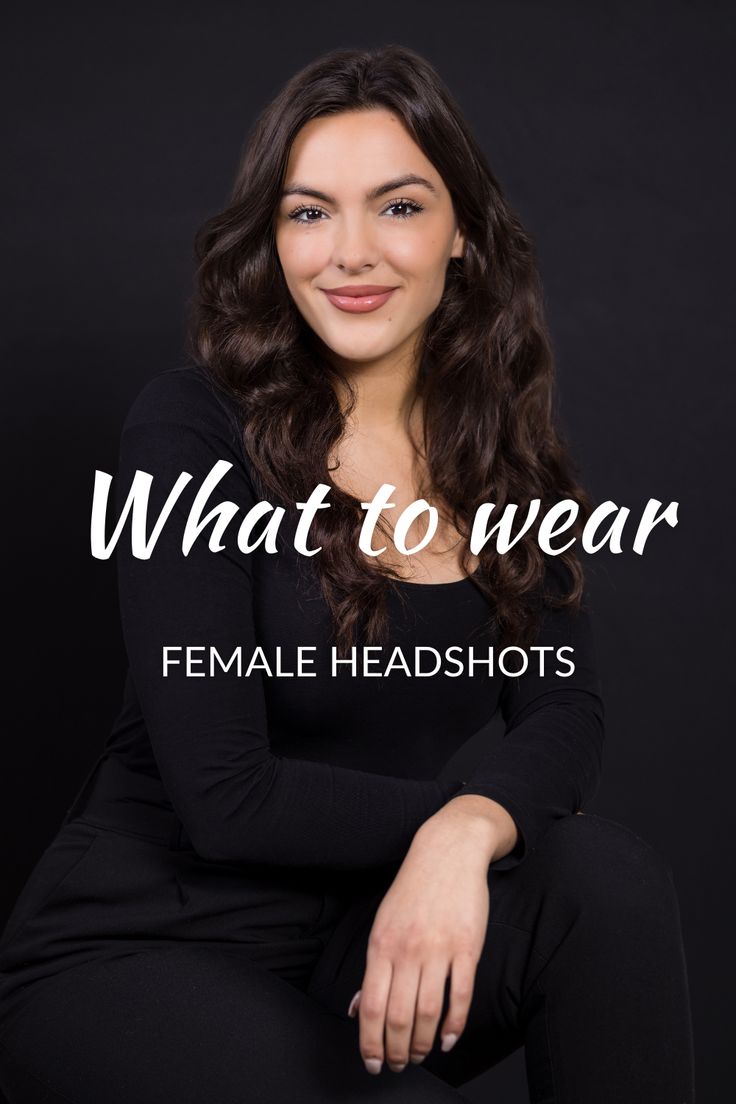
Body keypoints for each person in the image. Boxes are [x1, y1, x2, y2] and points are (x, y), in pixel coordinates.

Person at [0, 44, 695, 1103]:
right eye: (310, 212)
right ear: (272, 239)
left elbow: (565, 712)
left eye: (399, 207)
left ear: (460, 231)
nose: (350, 253)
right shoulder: (190, 433)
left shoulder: (509, 464)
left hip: (363, 930)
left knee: (606, 882)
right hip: (142, 945)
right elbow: (226, 799)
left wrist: (468, 833)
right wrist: (448, 826)